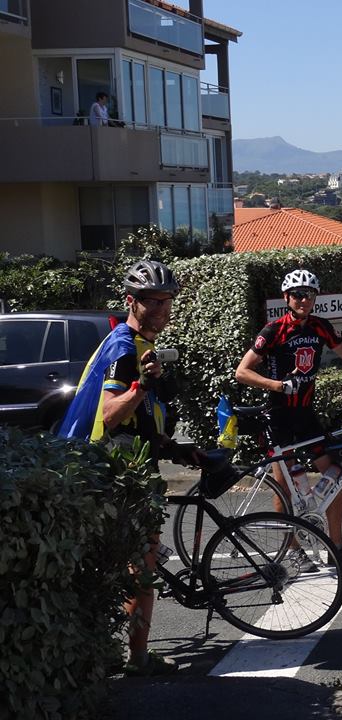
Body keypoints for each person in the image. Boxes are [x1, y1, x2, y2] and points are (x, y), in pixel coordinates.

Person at [59, 258, 192, 676]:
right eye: (151, 301)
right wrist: (142, 386)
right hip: (122, 466)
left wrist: (175, 447)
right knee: (142, 563)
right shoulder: (123, 345)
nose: (161, 308)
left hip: (136, 457)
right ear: (131, 302)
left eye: (166, 300)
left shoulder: (136, 343)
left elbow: (141, 417)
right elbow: (112, 412)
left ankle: (121, 650)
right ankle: (135, 658)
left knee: (134, 560)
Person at [235, 268, 342, 565]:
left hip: (306, 414)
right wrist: (278, 385)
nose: (303, 300)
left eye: (309, 295)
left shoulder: (321, 327)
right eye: (297, 295)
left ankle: (337, 544)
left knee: (334, 474)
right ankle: (293, 549)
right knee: (284, 484)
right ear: (286, 297)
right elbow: (242, 372)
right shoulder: (272, 331)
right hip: (278, 416)